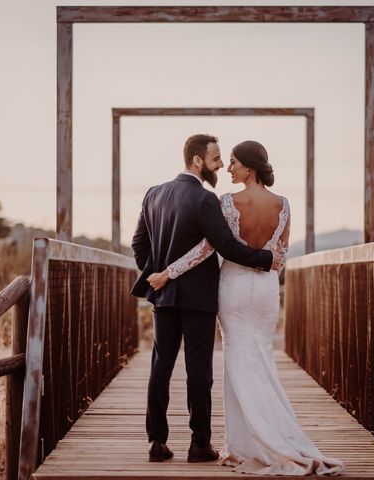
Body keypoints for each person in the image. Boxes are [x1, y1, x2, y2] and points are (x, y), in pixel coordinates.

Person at [147, 140, 345, 475]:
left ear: (249, 169)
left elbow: (208, 249)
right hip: (266, 289)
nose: (227, 167)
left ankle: (243, 443)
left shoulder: (227, 202)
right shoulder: (283, 205)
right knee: (261, 359)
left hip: (235, 288)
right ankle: (270, 433)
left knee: (237, 360)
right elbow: (280, 258)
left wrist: (168, 272)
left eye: (234, 162)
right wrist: (264, 264)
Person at [130, 134, 282, 463]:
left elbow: (139, 246)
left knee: (161, 365)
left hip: (163, 295)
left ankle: (156, 441)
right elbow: (225, 246)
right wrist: (265, 261)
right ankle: (200, 444)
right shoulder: (206, 199)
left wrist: (158, 276)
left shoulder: (153, 194)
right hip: (199, 298)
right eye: (215, 159)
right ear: (198, 161)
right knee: (199, 370)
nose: (219, 165)